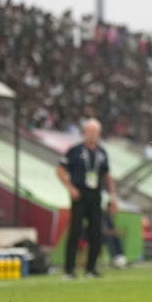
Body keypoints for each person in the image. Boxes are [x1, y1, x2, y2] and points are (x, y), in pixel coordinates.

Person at [56, 118, 117, 278]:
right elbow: (60, 170)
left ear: (99, 134)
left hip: (95, 195)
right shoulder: (75, 150)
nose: (93, 135)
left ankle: (91, 268)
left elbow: (107, 175)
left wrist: (113, 196)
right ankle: (69, 269)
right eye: (90, 131)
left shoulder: (102, 153)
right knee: (75, 231)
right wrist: (70, 187)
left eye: (95, 132)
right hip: (79, 194)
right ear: (84, 132)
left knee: (96, 232)